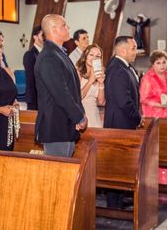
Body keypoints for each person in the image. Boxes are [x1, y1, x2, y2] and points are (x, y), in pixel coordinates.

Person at [35, 14, 87, 157]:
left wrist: (78, 114)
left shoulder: (59, 53)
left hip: (65, 124)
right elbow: (61, 92)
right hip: (56, 125)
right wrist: (78, 116)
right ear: (53, 30)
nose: (68, 28)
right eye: (64, 25)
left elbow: (72, 89)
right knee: (55, 176)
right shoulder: (49, 56)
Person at [104, 36, 141, 130]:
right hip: (120, 124)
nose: (135, 52)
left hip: (125, 122)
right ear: (123, 51)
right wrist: (138, 118)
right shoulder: (117, 70)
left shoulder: (124, 66)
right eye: (133, 48)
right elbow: (124, 101)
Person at [140, 50, 167, 118]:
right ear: (153, 65)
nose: (162, 65)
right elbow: (143, 99)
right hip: (153, 117)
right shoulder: (148, 78)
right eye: (158, 63)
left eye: (164, 62)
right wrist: (161, 105)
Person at [76, 44, 106, 128]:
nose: (94, 58)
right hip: (81, 117)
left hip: (94, 117)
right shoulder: (78, 72)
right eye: (91, 54)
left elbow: (101, 102)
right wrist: (90, 81)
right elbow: (78, 97)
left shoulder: (99, 73)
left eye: (98, 56)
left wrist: (101, 83)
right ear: (85, 56)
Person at [23, 25, 44, 110]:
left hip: (43, 97)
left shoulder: (45, 53)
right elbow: (31, 79)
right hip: (35, 98)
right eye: (42, 35)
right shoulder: (30, 54)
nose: (45, 37)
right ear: (35, 37)